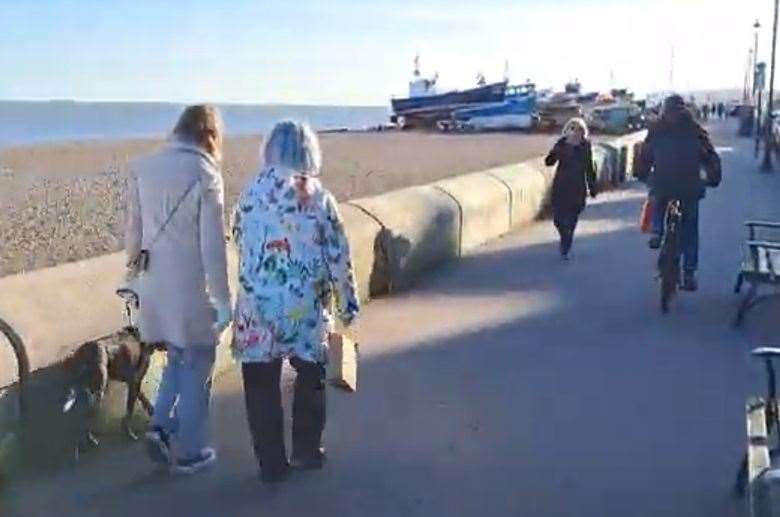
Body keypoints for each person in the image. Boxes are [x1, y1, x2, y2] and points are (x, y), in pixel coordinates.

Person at [231, 120, 360, 483]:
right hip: (305, 309)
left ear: (269, 150)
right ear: (309, 153)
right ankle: (306, 451)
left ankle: (270, 464)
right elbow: (339, 255)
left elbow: (239, 238)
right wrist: (348, 304)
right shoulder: (318, 197)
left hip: (257, 309)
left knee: (260, 385)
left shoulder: (250, 193)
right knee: (311, 378)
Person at [126, 105, 231, 474]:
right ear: (210, 135)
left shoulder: (144, 167)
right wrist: (223, 299)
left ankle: (159, 427)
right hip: (190, 287)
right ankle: (191, 452)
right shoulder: (206, 173)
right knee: (198, 366)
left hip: (154, 285)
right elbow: (212, 246)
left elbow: (134, 237)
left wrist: (133, 282)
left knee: (175, 359)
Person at [636, 94, 721, 291]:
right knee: (690, 226)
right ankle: (689, 273)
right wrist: (712, 179)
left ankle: (657, 231)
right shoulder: (696, 131)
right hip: (690, 186)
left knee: (658, 198)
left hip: (663, 183)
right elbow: (711, 158)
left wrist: (642, 175)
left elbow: (644, 156)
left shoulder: (656, 130)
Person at [544, 118, 598, 260]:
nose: (575, 131)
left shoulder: (585, 146)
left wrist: (592, 187)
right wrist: (556, 150)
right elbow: (549, 162)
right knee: (558, 219)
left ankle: (566, 246)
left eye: (578, 129)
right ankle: (564, 236)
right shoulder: (561, 144)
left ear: (583, 132)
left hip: (577, 186)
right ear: (567, 130)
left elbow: (589, 167)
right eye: (572, 128)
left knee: (572, 218)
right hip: (561, 185)